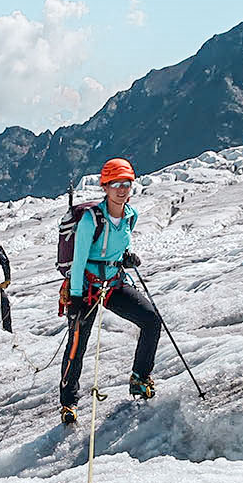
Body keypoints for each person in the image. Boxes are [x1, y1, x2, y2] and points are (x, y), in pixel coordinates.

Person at [58, 157, 162, 423]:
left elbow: (118, 245)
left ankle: (140, 377)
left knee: (151, 320)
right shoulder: (91, 220)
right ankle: (68, 403)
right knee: (76, 345)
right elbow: (80, 259)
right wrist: (77, 295)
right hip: (88, 287)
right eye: (115, 183)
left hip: (114, 283)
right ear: (105, 186)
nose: (121, 189)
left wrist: (125, 258)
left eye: (126, 183)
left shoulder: (130, 216)